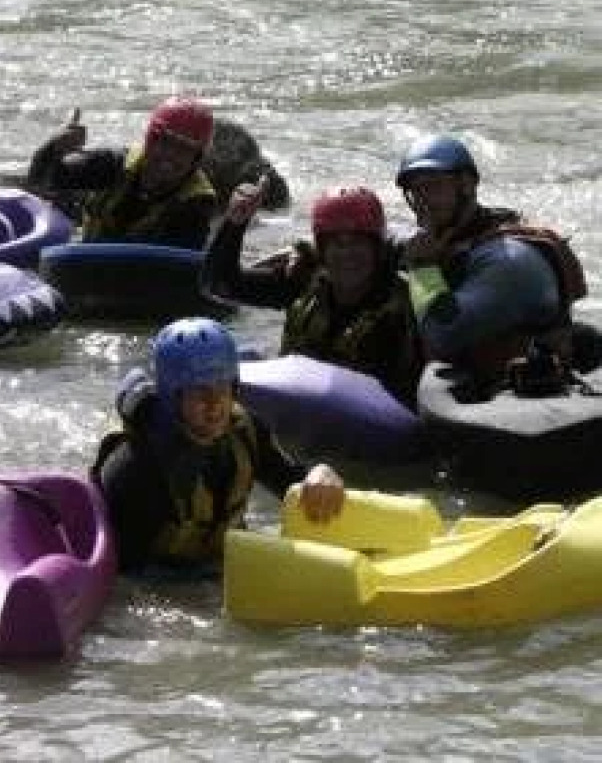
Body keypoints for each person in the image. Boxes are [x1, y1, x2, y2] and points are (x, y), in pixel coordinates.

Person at [91, 317, 345, 571]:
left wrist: (318, 472)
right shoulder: (136, 468)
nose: (215, 405)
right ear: (172, 396)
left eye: (222, 387)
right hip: (167, 580)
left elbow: (290, 481)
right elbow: (126, 577)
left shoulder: (246, 431)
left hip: (218, 562)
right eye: (200, 392)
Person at [396, 133, 588, 398]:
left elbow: (442, 336)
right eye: (415, 192)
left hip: (520, 404)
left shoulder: (509, 261)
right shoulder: (453, 239)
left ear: (467, 185)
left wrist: (422, 268)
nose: (423, 202)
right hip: (478, 389)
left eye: (433, 187)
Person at [202, 184, 424, 406]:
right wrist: (234, 223)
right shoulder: (302, 280)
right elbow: (219, 285)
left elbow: (446, 325)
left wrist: (424, 266)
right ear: (321, 250)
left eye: (358, 242)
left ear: (377, 249)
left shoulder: (408, 298)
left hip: (374, 427)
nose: (347, 255)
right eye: (337, 244)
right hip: (300, 417)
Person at [26, 96, 218, 248]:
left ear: (196, 159)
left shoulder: (198, 202)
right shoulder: (114, 164)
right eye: (164, 142)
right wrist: (53, 148)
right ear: (150, 140)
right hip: (87, 264)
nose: (170, 156)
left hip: (148, 280)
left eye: (184, 149)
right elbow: (40, 180)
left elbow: (179, 265)